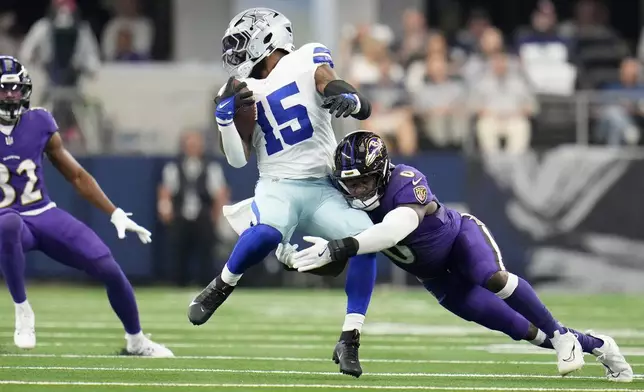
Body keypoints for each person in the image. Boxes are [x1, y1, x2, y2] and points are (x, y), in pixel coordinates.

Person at [289, 130, 633, 382]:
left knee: (493, 277)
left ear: (381, 172)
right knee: (521, 329)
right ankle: (597, 343)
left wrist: (342, 245)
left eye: (364, 181)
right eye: (350, 183)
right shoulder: (345, 199)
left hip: (460, 240)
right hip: (437, 278)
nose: (356, 190)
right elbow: (346, 242)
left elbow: (394, 230)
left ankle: (563, 339)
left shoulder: (406, 180)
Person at [186, 8, 376, 378]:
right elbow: (238, 160)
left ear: (268, 37)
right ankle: (221, 286)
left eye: (241, 45)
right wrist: (224, 120)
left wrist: (348, 98)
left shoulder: (307, 56)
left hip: (323, 187)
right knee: (267, 233)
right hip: (277, 185)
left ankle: (350, 337)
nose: (236, 56)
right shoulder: (238, 90)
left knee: (366, 240)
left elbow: (327, 82)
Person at [0, 56, 172, 357]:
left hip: (43, 213)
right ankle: (22, 310)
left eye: (16, 89)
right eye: (5, 89)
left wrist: (114, 212)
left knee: (107, 266)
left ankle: (136, 341)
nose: (12, 95)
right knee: (8, 223)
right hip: (8, 221)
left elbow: (77, 175)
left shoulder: (40, 122)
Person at [158, 130, 229, 286]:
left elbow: (220, 193)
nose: (193, 148)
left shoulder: (211, 167)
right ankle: (177, 283)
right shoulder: (173, 167)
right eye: (190, 145)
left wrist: (218, 217)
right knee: (177, 253)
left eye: (196, 144)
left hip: (203, 216)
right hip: (180, 215)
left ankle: (206, 284)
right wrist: (165, 209)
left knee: (206, 254)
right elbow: (165, 191)